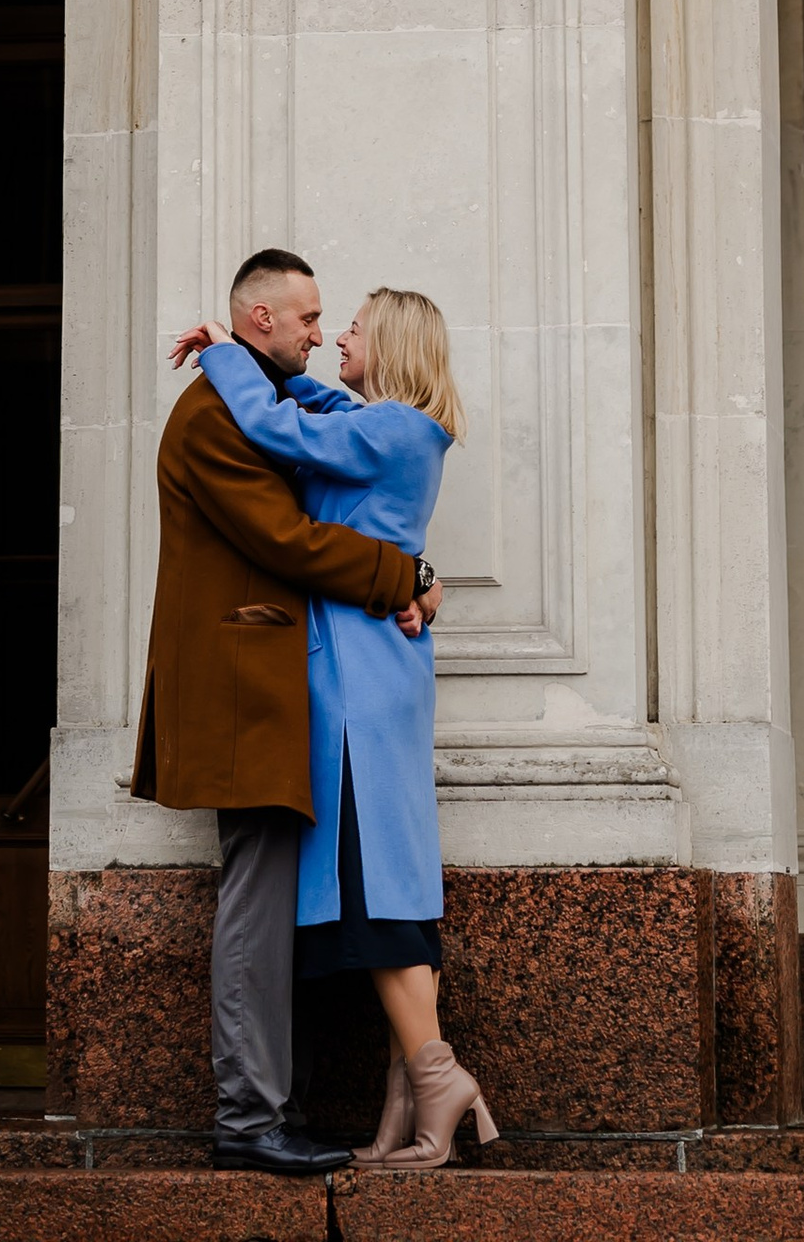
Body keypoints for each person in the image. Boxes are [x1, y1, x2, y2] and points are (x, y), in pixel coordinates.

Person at [167, 283, 498, 1169]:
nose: (334, 337)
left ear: (387, 346)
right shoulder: (389, 424)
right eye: (320, 321)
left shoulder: (390, 431)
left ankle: (436, 1075)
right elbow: (307, 401)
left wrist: (225, 355)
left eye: (349, 326)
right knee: (384, 877)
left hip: (359, 674)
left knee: (377, 880)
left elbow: (284, 429)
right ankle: (411, 1094)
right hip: (365, 666)